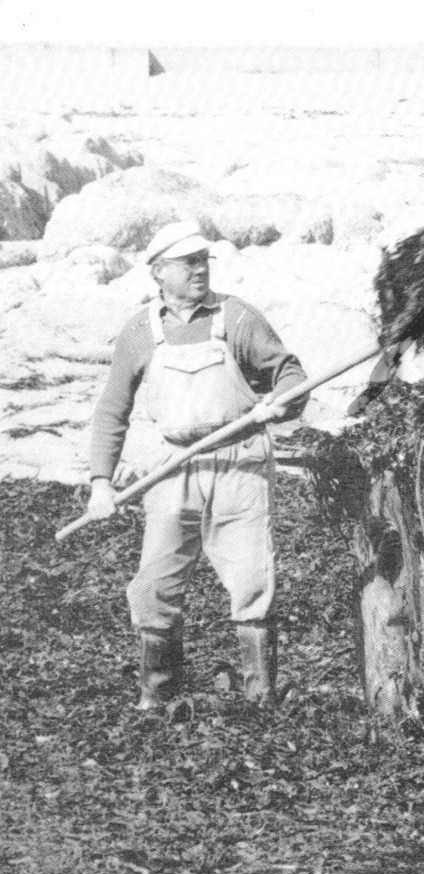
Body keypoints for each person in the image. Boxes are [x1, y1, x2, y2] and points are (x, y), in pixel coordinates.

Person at [85, 220, 308, 709]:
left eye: (203, 260)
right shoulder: (140, 330)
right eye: (187, 263)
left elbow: (291, 373)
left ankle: (261, 693)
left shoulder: (238, 318)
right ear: (159, 272)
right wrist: (101, 482)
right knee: (154, 583)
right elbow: (111, 409)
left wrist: (283, 401)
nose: (199, 270)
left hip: (240, 458)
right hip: (173, 465)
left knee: (251, 576)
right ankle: (159, 694)